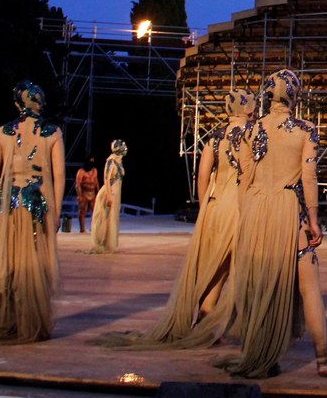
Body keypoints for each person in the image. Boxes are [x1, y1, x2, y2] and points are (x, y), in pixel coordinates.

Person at [215, 69, 327, 377]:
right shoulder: (305, 130)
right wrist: (314, 220)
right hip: (288, 210)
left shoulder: (249, 131)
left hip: (255, 212)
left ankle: (262, 354)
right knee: (309, 286)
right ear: (295, 95)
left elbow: (243, 179)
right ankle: (323, 359)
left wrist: (246, 218)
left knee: (258, 284)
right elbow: (309, 177)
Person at [102, 91, 255, 348]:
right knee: (227, 268)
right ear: (248, 108)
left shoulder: (215, 139)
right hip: (238, 207)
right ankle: (214, 321)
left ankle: (205, 319)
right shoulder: (253, 136)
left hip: (215, 206)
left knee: (214, 266)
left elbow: (202, 175)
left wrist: (207, 204)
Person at [0, 81, 65, 341]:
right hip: (37, 203)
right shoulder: (52, 132)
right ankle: (31, 320)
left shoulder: (2, 131)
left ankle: (6, 318)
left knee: (7, 261)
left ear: (17, 102)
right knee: (33, 264)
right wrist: (56, 211)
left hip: (6, 203)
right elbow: (60, 174)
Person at [89, 140, 126, 254]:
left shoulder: (119, 162)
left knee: (112, 219)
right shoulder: (111, 162)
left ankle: (109, 243)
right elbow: (106, 179)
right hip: (109, 193)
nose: (125, 149)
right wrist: (109, 196)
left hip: (116, 193)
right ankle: (100, 243)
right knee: (104, 218)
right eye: (123, 147)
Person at [73, 157, 99, 233]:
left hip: (93, 193)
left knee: (95, 211)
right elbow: (77, 185)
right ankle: (82, 229)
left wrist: (98, 192)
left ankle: (93, 228)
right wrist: (79, 195)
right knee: (82, 211)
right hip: (84, 193)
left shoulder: (95, 170)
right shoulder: (81, 172)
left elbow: (96, 182)